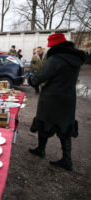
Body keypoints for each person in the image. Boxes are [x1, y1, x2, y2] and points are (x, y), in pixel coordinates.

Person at [28, 33, 85, 171]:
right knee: (65, 127)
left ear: (54, 45)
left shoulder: (55, 59)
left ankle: (41, 149)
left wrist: (31, 80)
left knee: (43, 122)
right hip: (68, 98)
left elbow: (41, 76)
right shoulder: (75, 58)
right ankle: (67, 160)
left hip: (51, 98)